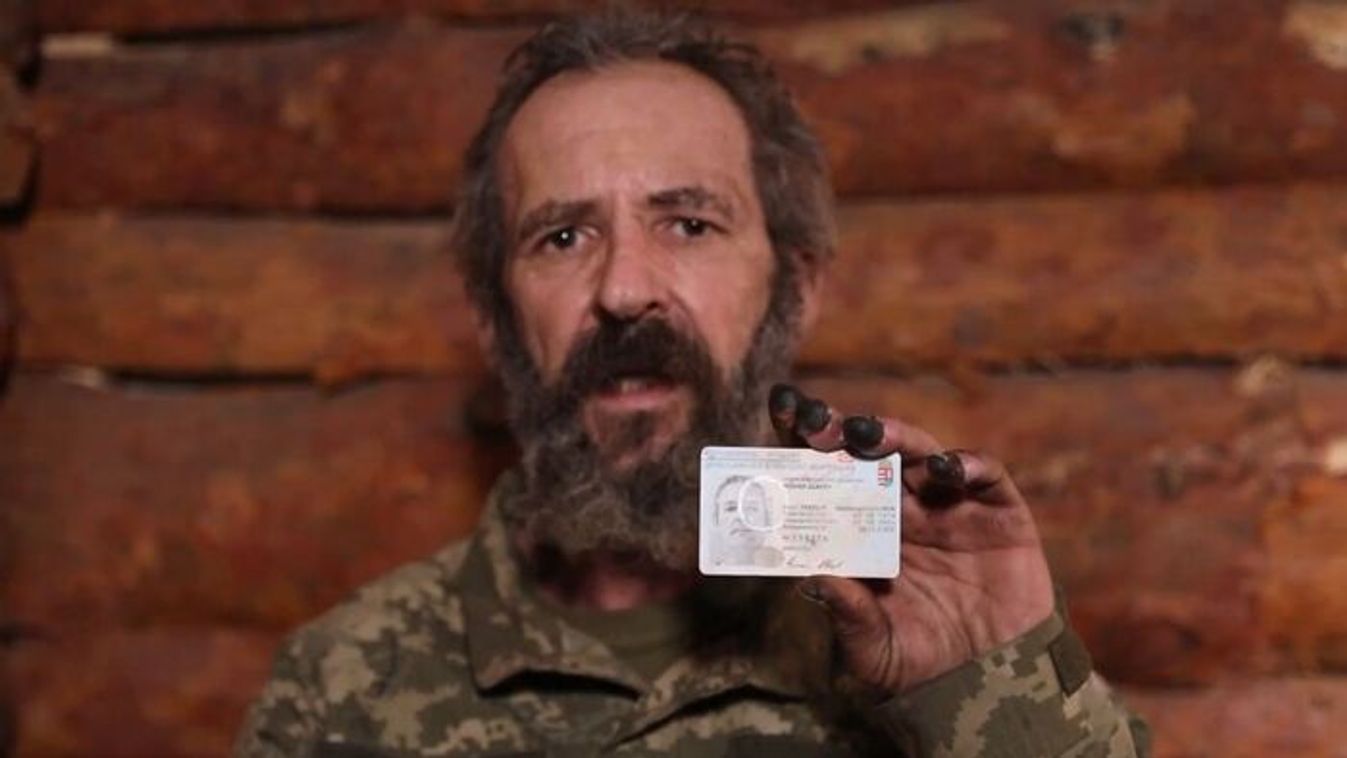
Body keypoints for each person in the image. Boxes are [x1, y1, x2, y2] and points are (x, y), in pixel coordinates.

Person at [237, 11, 1149, 757]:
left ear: (795, 287)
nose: (623, 289)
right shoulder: (342, 689)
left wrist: (985, 691)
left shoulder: (923, 631)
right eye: (563, 236)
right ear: (494, 317)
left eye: (688, 225)